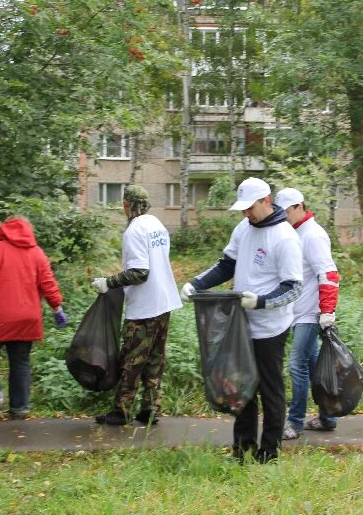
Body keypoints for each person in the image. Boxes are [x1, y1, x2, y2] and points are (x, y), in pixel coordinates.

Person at [180, 177, 303, 463]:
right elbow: (227, 265)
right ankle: (241, 449)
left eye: (250, 207)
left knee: (270, 389)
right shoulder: (243, 228)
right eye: (243, 209)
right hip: (242, 324)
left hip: (271, 328)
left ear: (266, 201)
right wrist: (197, 284)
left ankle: (269, 452)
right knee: (242, 385)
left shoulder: (285, 237)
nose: (246, 213)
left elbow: (293, 287)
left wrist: (261, 301)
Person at [0, 216, 67, 420]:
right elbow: (48, 284)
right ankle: (20, 407)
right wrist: (57, 308)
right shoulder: (37, 253)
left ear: (4, 230)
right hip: (28, 318)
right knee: (21, 361)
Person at [92, 185, 182, 426]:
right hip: (165, 303)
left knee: (131, 360)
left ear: (126, 205)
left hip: (145, 307)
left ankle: (121, 412)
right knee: (155, 360)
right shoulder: (157, 225)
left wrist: (108, 283)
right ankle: (151, 409)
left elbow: (140, 272)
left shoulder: (134, 230)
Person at [274, 188, 341, 440]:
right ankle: (328, 417)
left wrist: (327, 312)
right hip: (297, 312)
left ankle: (294, 423)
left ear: (300, 207)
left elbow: (328, 274)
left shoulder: (313, 235)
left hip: (311, 314)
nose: (284, 216)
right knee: (314, 368)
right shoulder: (294, 232)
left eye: (288, 212)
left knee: (297, 365)